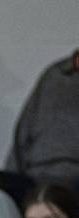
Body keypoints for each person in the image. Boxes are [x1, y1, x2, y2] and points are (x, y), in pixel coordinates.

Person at [9, 49, 79, 192]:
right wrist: (11, 176)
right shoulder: (55, 74)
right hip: (34, 172)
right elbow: (24, 128)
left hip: (72, 176)